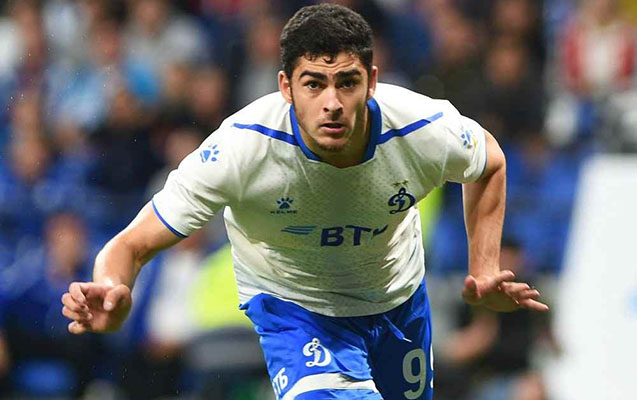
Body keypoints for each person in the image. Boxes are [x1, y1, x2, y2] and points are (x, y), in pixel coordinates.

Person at [61, 4, 549, 399]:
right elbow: (130, 244)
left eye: (347, 82)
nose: (331, 102)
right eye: (314, 83)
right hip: (295, 306)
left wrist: (484, 267)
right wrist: (110, 288)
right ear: (286, 87)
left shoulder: (420, 128)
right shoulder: (239, 151)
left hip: (396, 298)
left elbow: (489, 161)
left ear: (371, 81)